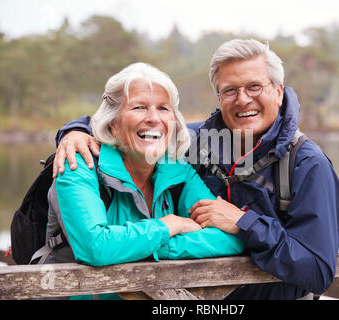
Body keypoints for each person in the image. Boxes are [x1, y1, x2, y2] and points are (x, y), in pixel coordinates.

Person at [53, 39, 339, 300]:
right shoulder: (194, 143)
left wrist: (244, 223)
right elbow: (135, 128)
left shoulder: (307, 164)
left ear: (279, 92)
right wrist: (73, 131)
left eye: (254, 86)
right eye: (230, 90)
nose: (243, 99)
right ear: (219, 97)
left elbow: (317, 272)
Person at [46, 62, 244, 299]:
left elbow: (233, 239)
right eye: (139, 107)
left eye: (163, 108)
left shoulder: (178, 171)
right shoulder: (78, 164)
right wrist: (170, 225)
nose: (153, 118)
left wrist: (158, 246)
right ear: (113, 124)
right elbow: (95, 247)